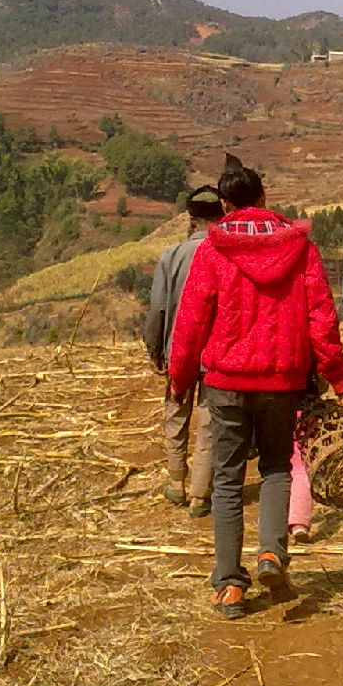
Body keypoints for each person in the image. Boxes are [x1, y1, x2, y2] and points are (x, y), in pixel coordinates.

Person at [169, 161, 343, 620]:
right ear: (265, 198)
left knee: (229, 477)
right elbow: (322, 319)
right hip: (283, 378)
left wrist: (178, 379)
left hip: (226, 382)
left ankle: (230, 586)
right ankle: (272, 554)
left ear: (225, 205)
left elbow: (191, 321)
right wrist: (340, 377)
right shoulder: (300, 248)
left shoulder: (213, 251)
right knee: (276, 467)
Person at [143, 185, 225, 517]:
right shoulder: (225, 252)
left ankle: (176, 481)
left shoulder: (171, 256)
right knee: (208, 420)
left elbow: (158, 309)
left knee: (176, 413)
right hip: (214, 354)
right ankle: (200, 495)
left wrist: (155, 349)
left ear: (191, 220)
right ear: (220, 218)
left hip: (177, 348)